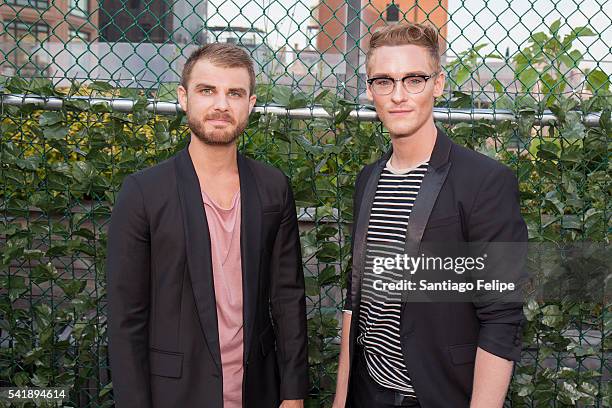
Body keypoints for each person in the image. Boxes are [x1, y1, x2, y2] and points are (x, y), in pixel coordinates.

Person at [332, 23, 527, 408]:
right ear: (370, 91)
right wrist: (341, 400)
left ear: (438, 85)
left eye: (414, 79)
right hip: (369, 395)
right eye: (384, 81)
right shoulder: (368, 180)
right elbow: (357, 298)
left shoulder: (485, 182)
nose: (399, 95)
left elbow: (501, 319)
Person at [106, 43, 308, 408]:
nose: (221, 105)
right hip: (174, 393)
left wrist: (293, 392)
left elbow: (288, 298)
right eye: (207, 90)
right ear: (184, 98)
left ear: (251, 104)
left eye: (235, 93)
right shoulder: (143, 193)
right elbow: (126, 321)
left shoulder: (272, 187)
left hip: (258, 392)